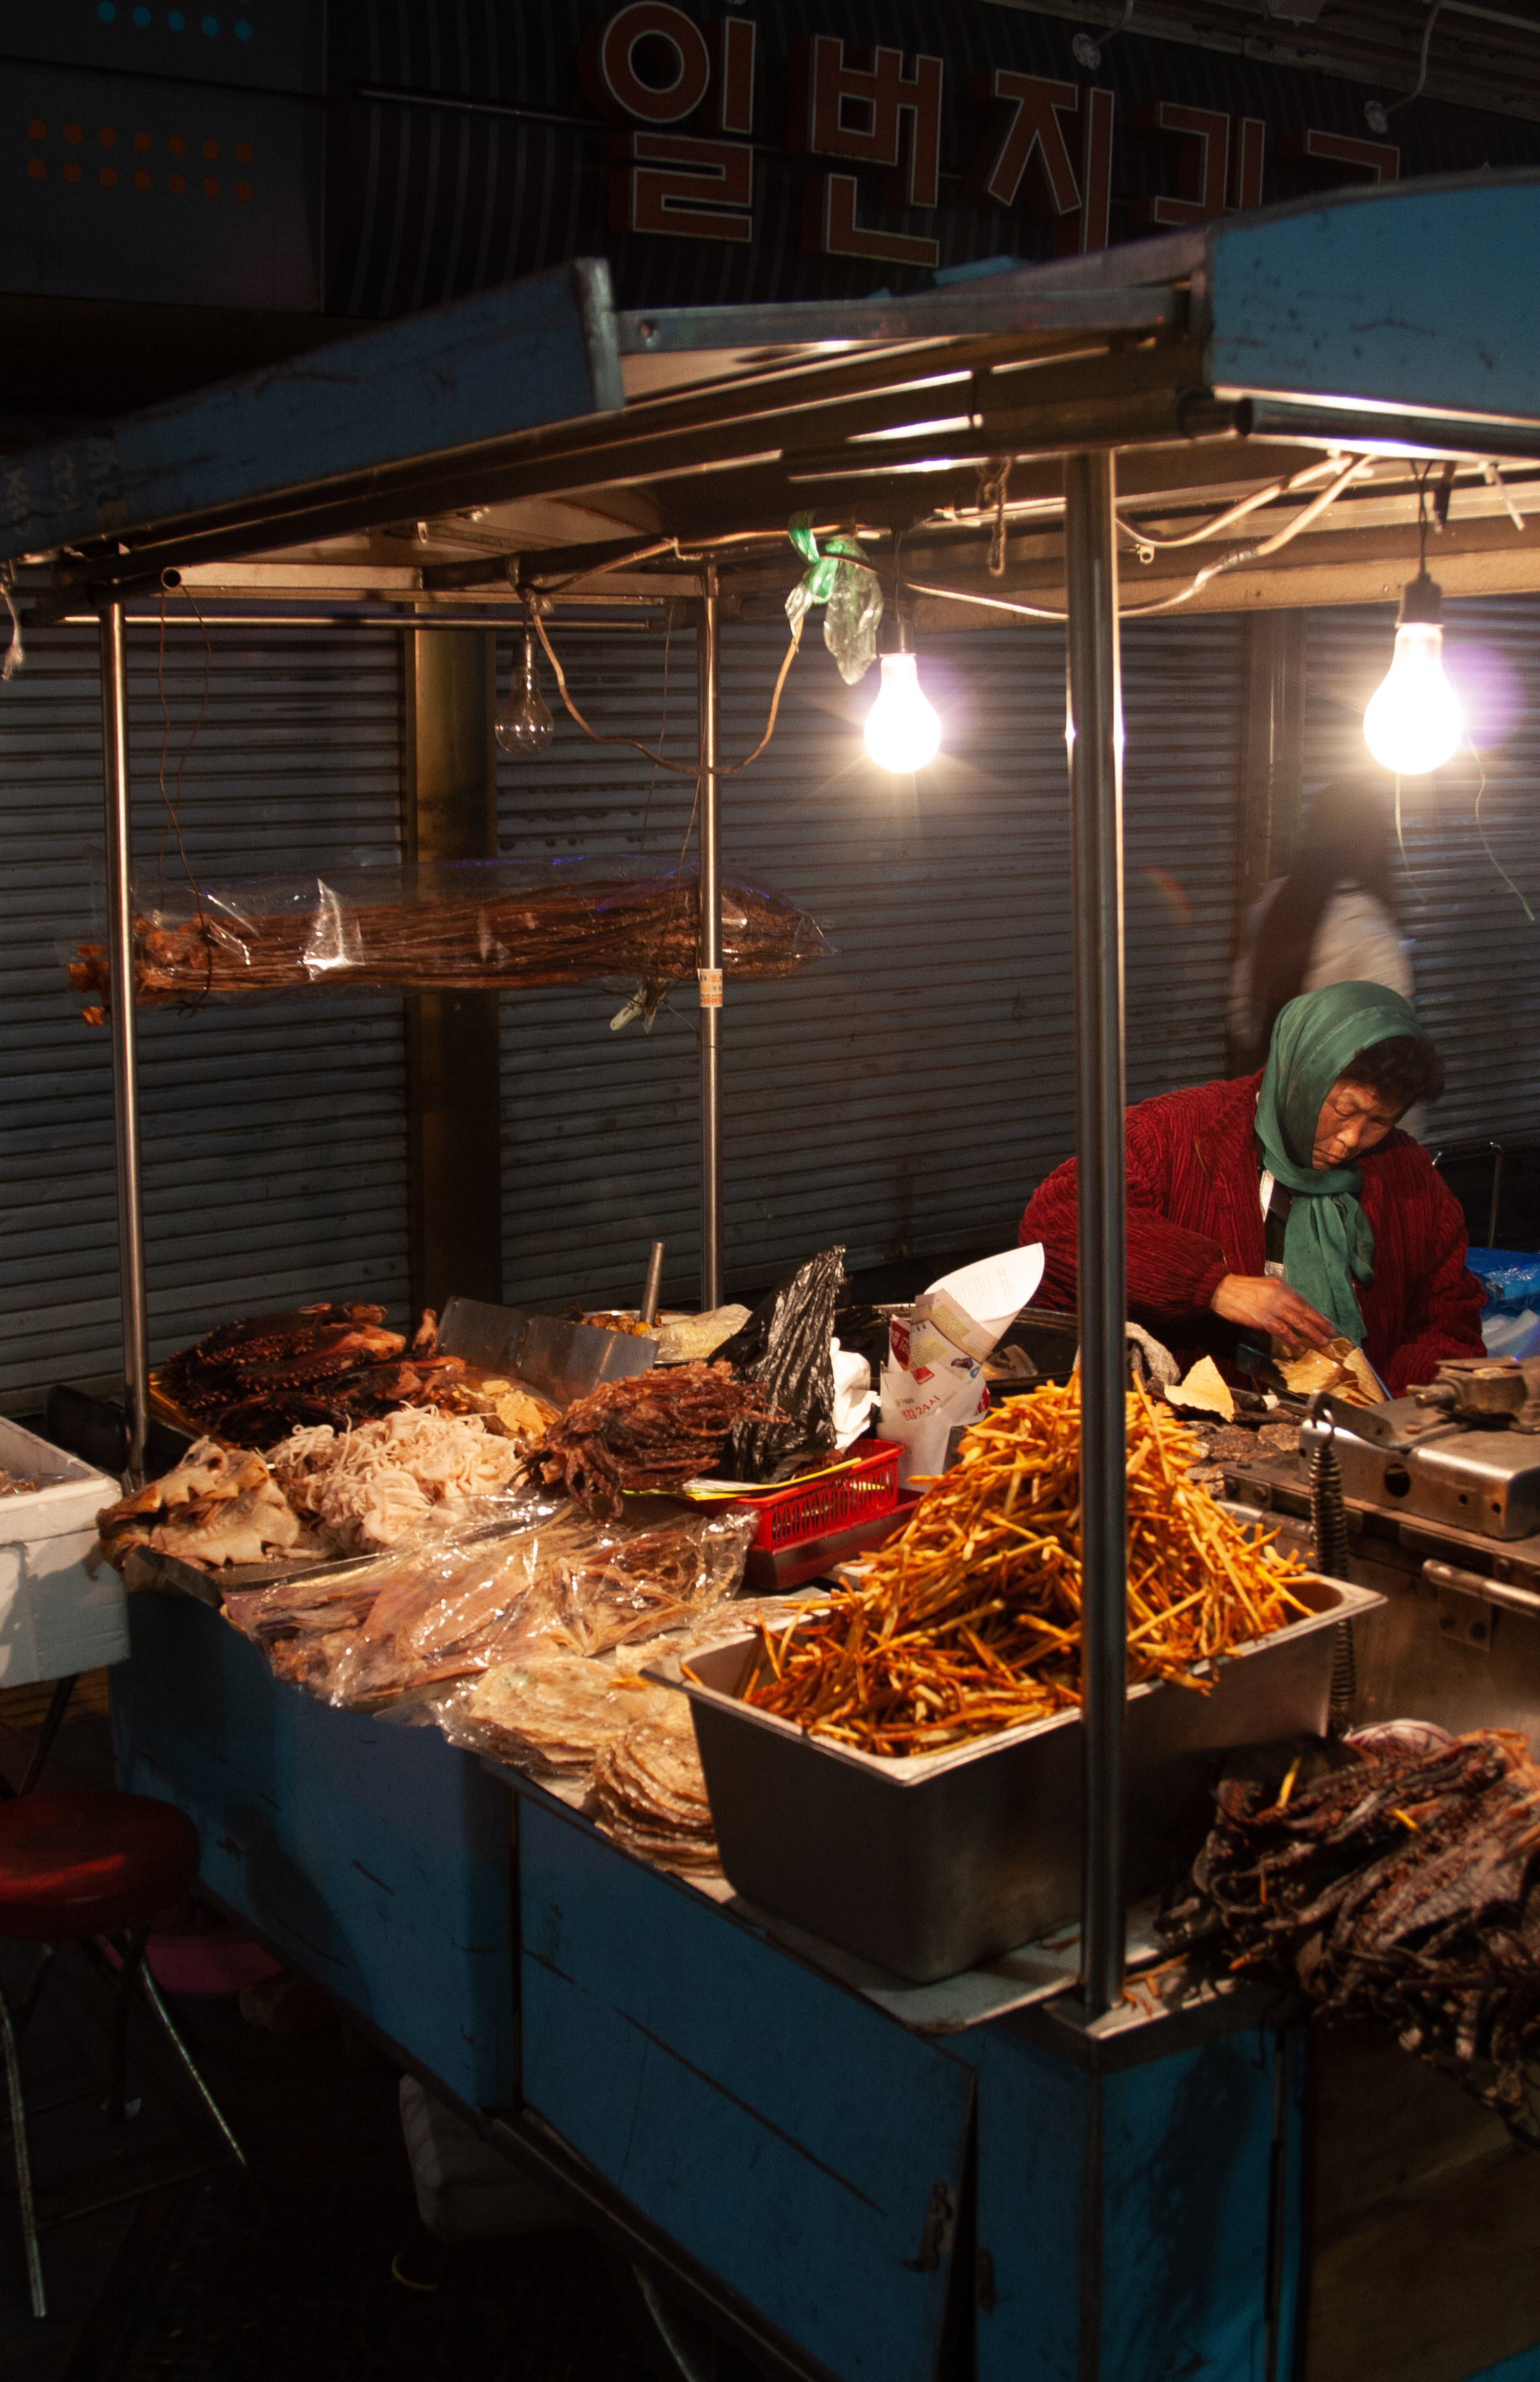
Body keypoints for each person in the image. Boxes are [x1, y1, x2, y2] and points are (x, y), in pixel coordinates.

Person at [1019, 982, 1484, 1396]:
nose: (1351, 1140)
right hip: (1184, 1435)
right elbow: (1060, 1221)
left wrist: (1398, 1415)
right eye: (1345, 1109)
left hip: (1350, 1445)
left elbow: (1445, 1318)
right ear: (1302, 1075)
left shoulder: (1409, 1178)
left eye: (1379, 1121)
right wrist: (1213, 1284)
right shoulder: (1175, 1135)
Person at [1229, 777, 1410, 1075]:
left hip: (1268, 1099)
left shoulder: (1274, 903)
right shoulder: (1370, 934)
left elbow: (1243, 1015)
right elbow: (1389, 1058)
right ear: (1372, 843)